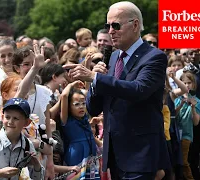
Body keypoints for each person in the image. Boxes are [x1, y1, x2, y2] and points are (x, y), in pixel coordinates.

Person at [63, 1, 170, 179]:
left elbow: (138, 90)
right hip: (114, 155)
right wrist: (95, 83)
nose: (110, 31)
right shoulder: (112, 58)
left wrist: (96, 78)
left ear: (135, 25)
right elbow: (93, 108)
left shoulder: (154, 57)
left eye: (116, 25)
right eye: (108, 25)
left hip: (141, 153)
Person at [0, 98, 43, 180]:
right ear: (2, 117)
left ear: (27, 122)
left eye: (16, 118)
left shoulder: (27, 145)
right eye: (7, 117)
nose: (10, 122)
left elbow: (37, 177)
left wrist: (37, 166)